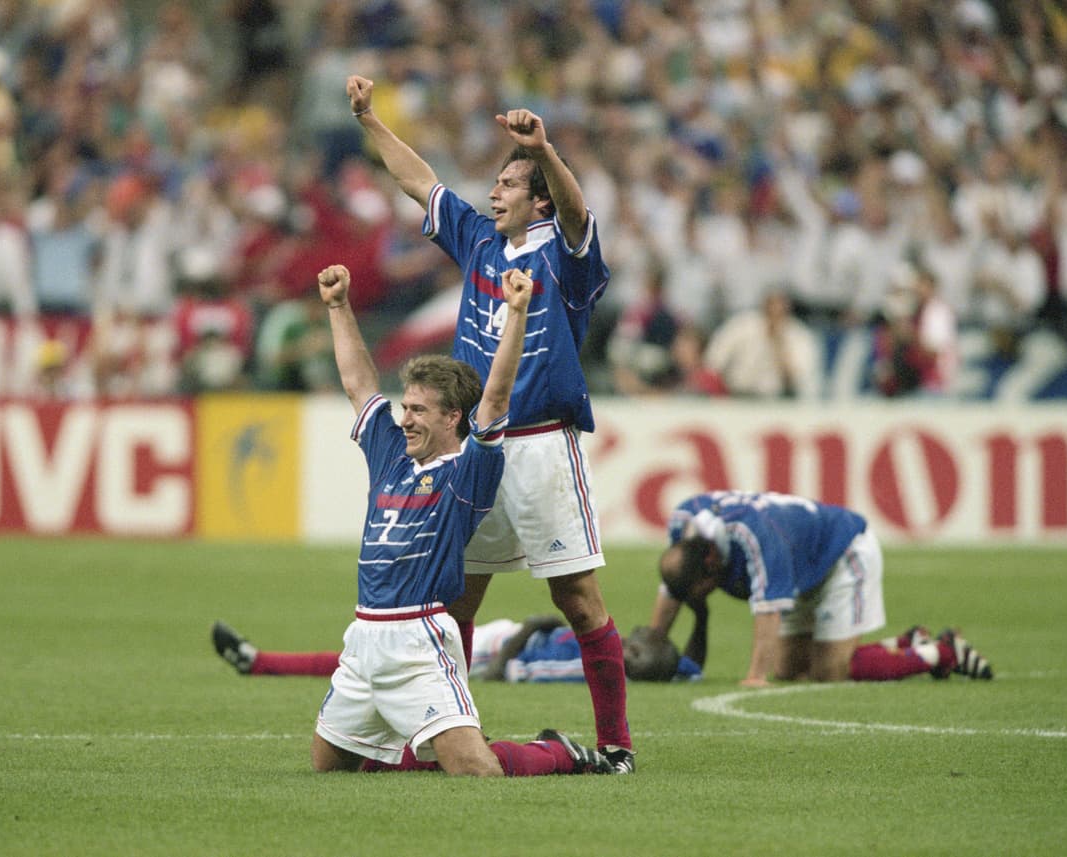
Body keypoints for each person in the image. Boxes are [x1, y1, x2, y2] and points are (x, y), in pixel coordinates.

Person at [347, 74, 634, 772]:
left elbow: (575, 211)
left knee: (577, 596)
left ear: (535, 197)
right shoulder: (476, 241)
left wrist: (546, 150)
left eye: (508, 183)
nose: (494, 191)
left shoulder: (561, 255)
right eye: (497, 182)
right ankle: (453, 733)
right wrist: (370, 119)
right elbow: (421, 182)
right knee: (454, 596)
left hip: (539, 447)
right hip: (475, 449)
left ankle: (617, 743)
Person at [307, 262, 609, 777]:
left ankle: (559, 752)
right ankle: (418, 749)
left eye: (420, 411)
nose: (405, 419)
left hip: (418, 640)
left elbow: (494, 397)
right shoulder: (389, 453)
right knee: (330, 771)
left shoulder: (468, 471)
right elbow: (359, 385)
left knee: (477, 772)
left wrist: (517, 313)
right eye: (406, 407)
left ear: (452, 419)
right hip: (362, 641)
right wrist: (338, 306)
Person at [649, 491, 995, 686]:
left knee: (832, 672)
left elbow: (767, 609)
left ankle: (941, 653)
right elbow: (672, 588)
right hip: (801, 572)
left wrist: (755, 676)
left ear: (711, 564)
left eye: (703, 590)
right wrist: (654, 643)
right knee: (789, 669)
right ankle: (906, 643)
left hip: (842, 554)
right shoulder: (685, 523)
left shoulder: (756, 538)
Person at [211, 616, 701, 683]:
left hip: (486, 651)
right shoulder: (610, 641)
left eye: (633, 661)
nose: (627, 653)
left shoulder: (589, 665)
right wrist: (700, 617)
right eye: (635, 648)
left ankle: (258, 662)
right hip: (489, 635)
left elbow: (520, 668)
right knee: (365, 652)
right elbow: (690, 668)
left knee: (363, 657)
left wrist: (522, 634)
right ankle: (257, 662)